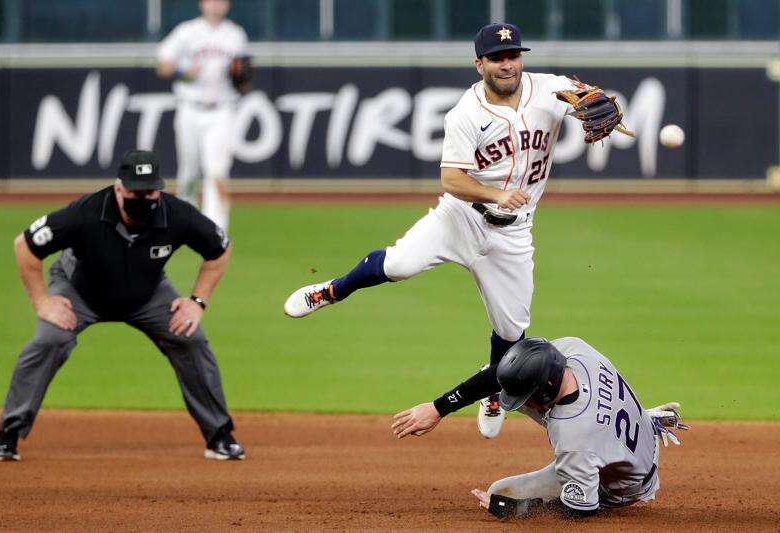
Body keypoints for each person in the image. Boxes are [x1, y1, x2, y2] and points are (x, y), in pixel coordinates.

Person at [284, 23, 622, 440]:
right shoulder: (466, 113)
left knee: (513, 334)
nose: (507, 64)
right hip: (459, 217)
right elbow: (451, 179)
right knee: (400, 263)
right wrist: (496, 194)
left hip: (512, 235)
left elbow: (593, 97)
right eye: (497, 58)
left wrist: (604, 103)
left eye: (513, 55)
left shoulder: (550, 87)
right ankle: (332, 291)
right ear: (478, 63)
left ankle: (493, 392)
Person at [0, 150, 245, 462]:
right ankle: (8, 433)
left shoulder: (176, 214)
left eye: (149, 191)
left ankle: (219, 434)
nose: (143, 197)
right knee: (50, 339)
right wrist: (42, 302)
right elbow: (24, 246)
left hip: (147, 294)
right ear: (119, 187)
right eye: (136, 191)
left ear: (159, 190)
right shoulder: (85, 213)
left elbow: (220, 250)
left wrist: (197, 303)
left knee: (189, 336)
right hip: (79, 292)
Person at [391, 337, 689, 520]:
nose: (522, 404)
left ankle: (606, 459)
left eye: (527, 399)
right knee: (494, 377)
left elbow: (582, 509)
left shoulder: (573, 435)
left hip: (623, 484)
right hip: (630, 428)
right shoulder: (574, 351)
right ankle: (611, 442)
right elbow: (513, 370)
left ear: (546, 389)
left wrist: (519, 509)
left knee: (501, 496)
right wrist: (438, 408)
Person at [156, 0, 252, 231]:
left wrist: (239, 76)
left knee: (217, 171)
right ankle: (183, 225)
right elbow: (162, 67)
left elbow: (244, 79)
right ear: (202, 4)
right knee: (188, 172)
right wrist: (182, 70)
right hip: (190, 107)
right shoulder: (187, 31)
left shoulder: (235, 34)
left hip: (222, 109)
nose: (216, 5)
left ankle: (215, 230)